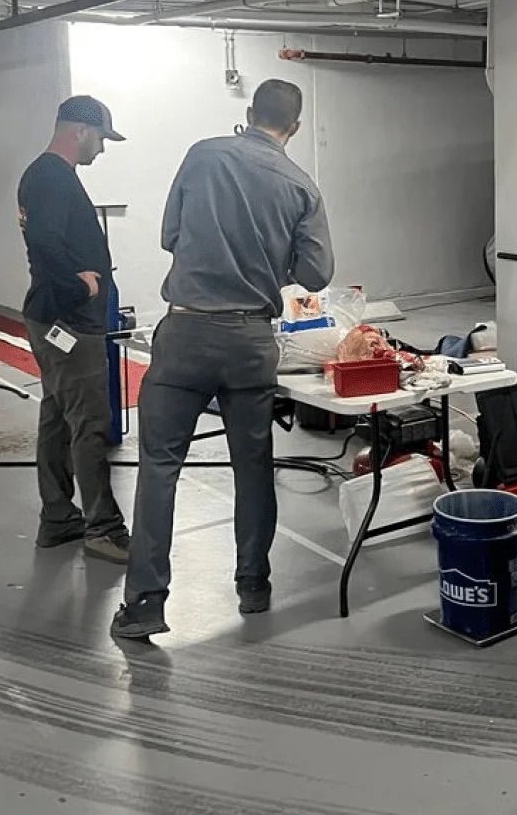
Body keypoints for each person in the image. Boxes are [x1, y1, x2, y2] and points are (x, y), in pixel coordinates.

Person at [112, 79, 334, 639]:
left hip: (185, 332)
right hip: (249, 343)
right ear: (296, 128)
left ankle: (144, 604)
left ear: (250, 113)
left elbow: (169, 235)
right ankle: (253, 586)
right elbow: (317, 275)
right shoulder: (301, 185)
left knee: (160, 467)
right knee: (252, 467)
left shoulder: (202, 154)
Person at [18, 95, 130, 563]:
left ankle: (60, 518)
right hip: (66, 322)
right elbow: (43, 241)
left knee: (58, 418)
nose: (101, 150)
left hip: (58, 319)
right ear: (80, 131)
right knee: (90, 423)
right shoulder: (50, 177)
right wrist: (77, 287)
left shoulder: (50, 176)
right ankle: (102, 528)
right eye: (101, 139)